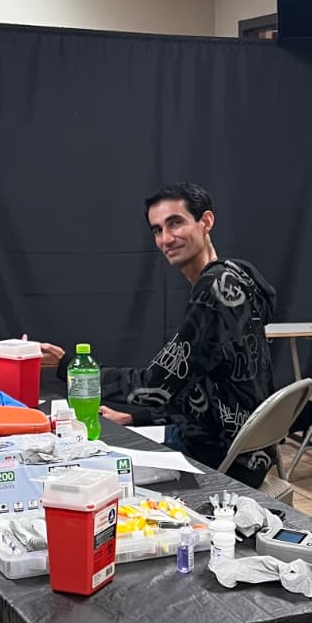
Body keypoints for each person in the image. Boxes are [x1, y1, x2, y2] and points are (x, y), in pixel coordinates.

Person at [43, 184, 278, 486]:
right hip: (243, 449)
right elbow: (194, 385)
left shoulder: (213, 292)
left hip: (220, 459)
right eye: (157, 230)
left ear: (206, 221)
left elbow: (157, 384)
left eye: (175, 223)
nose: (166, 239)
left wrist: (70, 367)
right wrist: (137, 417)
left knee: (77, 474)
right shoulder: (235, 275)